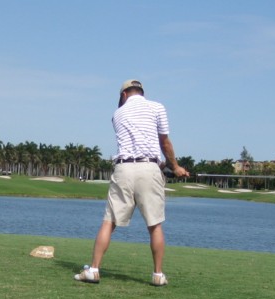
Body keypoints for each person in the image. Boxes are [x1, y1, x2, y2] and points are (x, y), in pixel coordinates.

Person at [74, 79, 189, 286]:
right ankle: (158, 275)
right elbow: (164, 142)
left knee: (109, 221)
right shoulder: (157, 107)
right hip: (150, 168)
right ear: (141, 92)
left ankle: (93, 270)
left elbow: (134, 144)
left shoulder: (117, 114)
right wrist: (176, 167)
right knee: (155, 224)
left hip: (124, 169)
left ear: (124, 94)